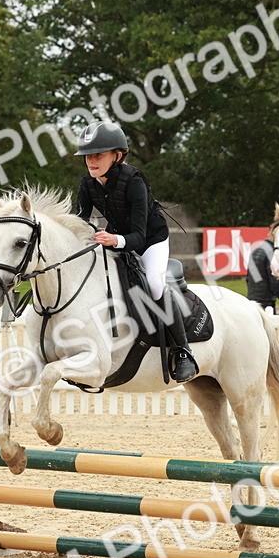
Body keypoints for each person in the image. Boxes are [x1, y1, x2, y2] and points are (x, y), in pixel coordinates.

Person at [74, 120, 198, 382]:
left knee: (154, 284)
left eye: (98, 155)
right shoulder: (88, 184)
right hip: (116, 240)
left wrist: (113, 240)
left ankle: (183, 352)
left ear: (117, 156)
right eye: (88, 156)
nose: (91, 161)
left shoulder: (134, 181)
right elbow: (79, 220)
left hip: (150, 242)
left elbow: (139, 236)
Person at [245, 233, 279, 310]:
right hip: (266, 301)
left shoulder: (255, 250)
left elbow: (248, 278)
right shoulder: (271, 253)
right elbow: (274, 280)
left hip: (252, 298)